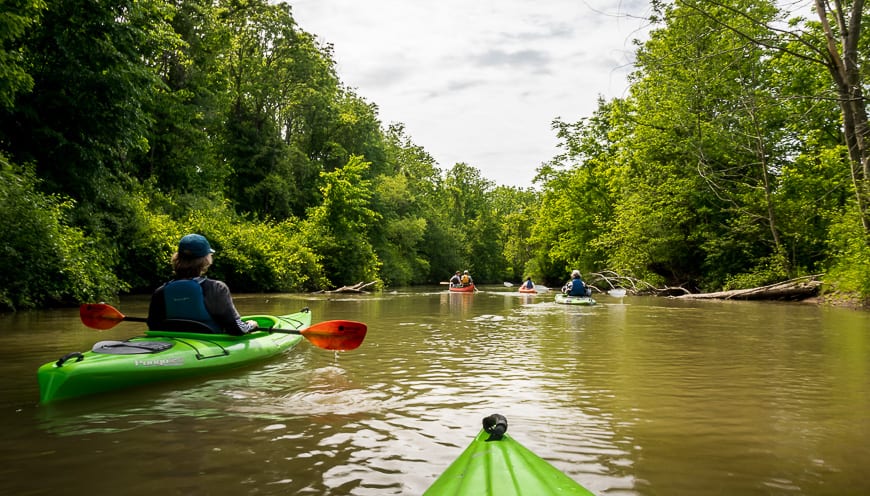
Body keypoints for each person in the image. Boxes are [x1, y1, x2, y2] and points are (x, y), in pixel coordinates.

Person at [147, 234, 258, 335]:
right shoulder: (216, 288)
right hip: (209, 344)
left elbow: (153, 326)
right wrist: (251, 325)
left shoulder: (160, 291)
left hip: (174, 342)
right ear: (206, 259)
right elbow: (236, 329)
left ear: (177, 258)